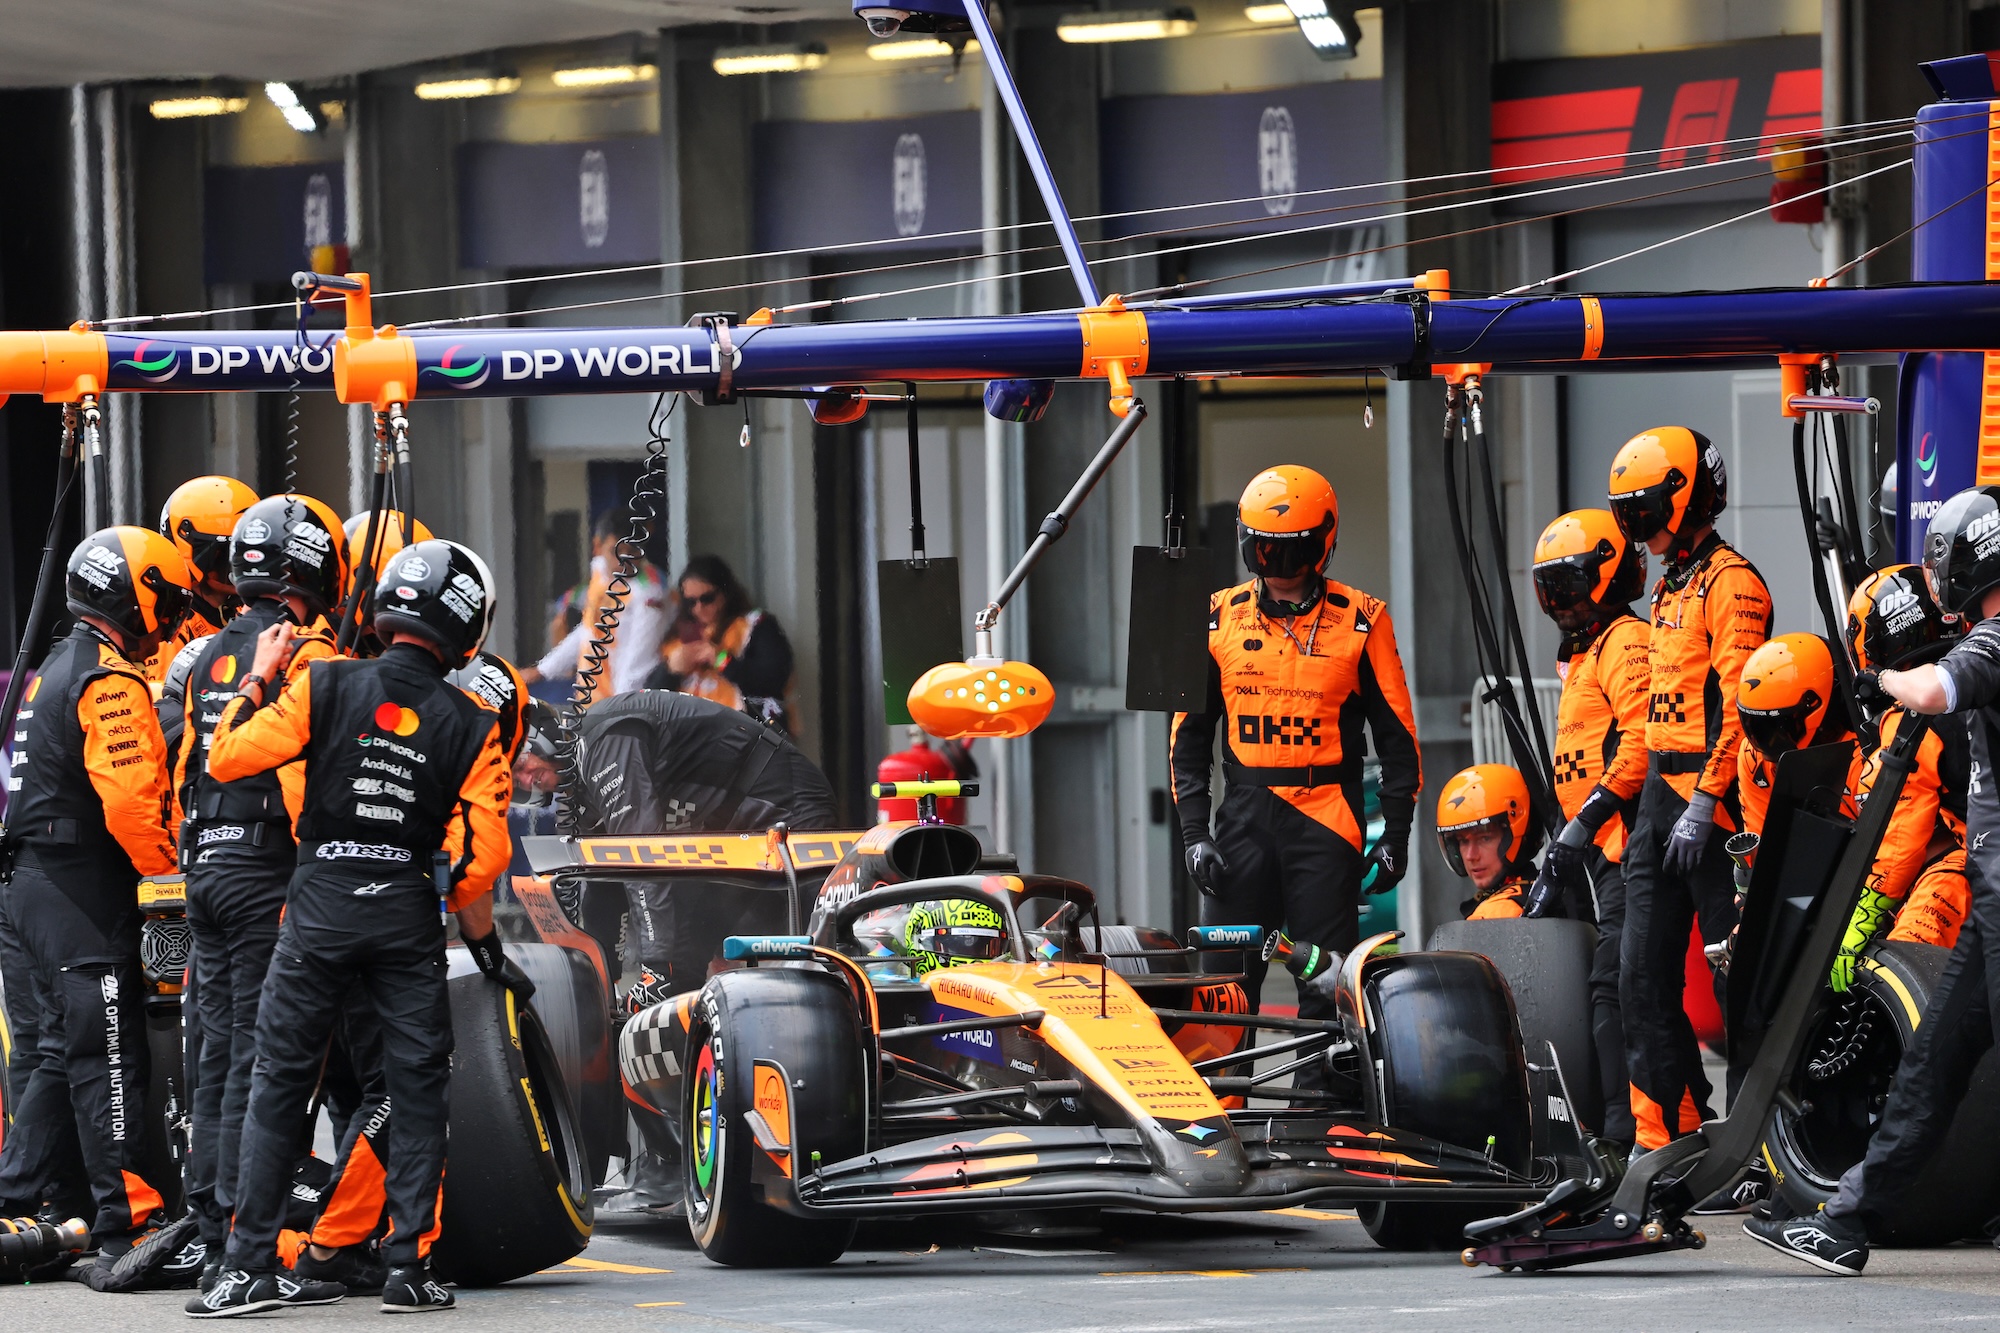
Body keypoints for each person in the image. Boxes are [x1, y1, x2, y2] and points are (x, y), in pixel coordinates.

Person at [186, 540, 518, 1316]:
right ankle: (410, 1268)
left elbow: (227, 757)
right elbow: (484, 855)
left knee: (278, 1083)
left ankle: (245, 1269)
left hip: (317, 908)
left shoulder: (322, 682)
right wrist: (433, 896)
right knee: (416, 1088)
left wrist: (263, 670)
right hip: (403, 913)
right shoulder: (473, 721)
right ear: (466, 629)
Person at [1745, 484, 2000, 1275]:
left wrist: (1885, 680)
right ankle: (1849, 1220)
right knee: (1932, 1061)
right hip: (1992, 898)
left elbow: (1931, 688)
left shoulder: (1995, 641)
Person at [1568, 426, 1771, 1153]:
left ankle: (1760, 1148)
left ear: (1686, 497)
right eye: (1627, 514)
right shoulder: (1668, 588)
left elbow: (1741, 706)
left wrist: (1708, 801)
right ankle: (1667, 1140)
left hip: (1716, 811)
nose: (1637, 529)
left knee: (1736, 986)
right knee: (1639, 977)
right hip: (1658, 801)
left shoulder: (1733, 582)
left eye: (1644, 511)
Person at [0, 528, 188, 1280]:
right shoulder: (109, 680)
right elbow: (137, 807)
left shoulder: (51, 667)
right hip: (79, 889)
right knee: (107, 1053)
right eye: (164, 600)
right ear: (133, 593)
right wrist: (171, 896)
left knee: (52, 1052)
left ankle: (15, 1194)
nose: (168, 619)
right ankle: (124, 1225)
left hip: (26, 889)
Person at [1170, 465, 1421, 1026]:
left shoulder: (1364, 619)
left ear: (1325, 543)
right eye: (1264, 552)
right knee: (1221, 987)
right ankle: (1220, 1108)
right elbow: (1187, 738)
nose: (1279, 569)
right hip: (1241, 821)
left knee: (1326, 986)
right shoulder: (1216, 618)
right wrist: (1194, 834)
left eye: (1293, 552)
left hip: (1326, 820)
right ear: (1245, 545)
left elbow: (1399, 741)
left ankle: (1321, 1112)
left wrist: (1396, 835)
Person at [174, 495, 346, 1283]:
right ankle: (244, 1240)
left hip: (205, 866)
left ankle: (212, 1226)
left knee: (216, 1056)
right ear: (309, 567)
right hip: (264, 869)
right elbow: (305, 778)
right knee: (258, 1055)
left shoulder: (208, 651)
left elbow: (187, 768)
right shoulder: (302, 652)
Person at [571, 689, 838, 1007]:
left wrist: (655, 967)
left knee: (827, 947)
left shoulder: (604, 739)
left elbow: (643, 856)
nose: (527, 781)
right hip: (727, 834)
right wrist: (601, 989)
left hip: (784, 798)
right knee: (679, 970)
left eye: (524, 770)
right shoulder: (576, 771)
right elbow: (603, 882)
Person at [1522, 507, 1649, 1153]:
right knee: (1616, 982)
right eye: (1550, 589)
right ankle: (1619, 1126)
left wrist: (1588, 818)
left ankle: (1630, 1131)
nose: (1560, 603)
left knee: (1620, 984)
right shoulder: (1583, 652)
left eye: (1570, 585)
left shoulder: (1626, 640)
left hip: (1625, 840)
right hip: (1594, 846)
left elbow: (1639, 741)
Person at [1837, 566, 1970, 982]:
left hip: (1986, 861)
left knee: (1906, 963)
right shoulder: (1983, 666)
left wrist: (1855, 928)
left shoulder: (1913, 721)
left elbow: (1897, 846)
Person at [524, 506, 669, 702]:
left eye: (633, 551)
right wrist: (543, 670)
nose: (624, 560)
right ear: (597, 546)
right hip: (592, 698)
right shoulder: (600, 572)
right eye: (616, 551)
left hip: (622, 704)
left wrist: (618, 709)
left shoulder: (650, 592)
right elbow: (591, 629)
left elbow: (638, 661)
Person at [653, 555, 797, 731]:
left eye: (707, 599)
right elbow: (650, 698)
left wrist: (722, 659)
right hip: (688, 737)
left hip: (742, 735)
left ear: (725, 594)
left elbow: (774, 680)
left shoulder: (755, 625)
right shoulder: (679, 634)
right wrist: (671, 671)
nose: (698, 608)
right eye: (691, 602)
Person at [149, 476, 258, 680]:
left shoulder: (246, 608)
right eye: (230, 552)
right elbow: (165, 706)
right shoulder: (171, 629)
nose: (246, 564)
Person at [1436, 764, 1542, 920]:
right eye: (1463, 841)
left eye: (1484, 838)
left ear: (1518, 832)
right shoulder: (1543, 889)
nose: (1471, 856)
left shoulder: (1499, 911)